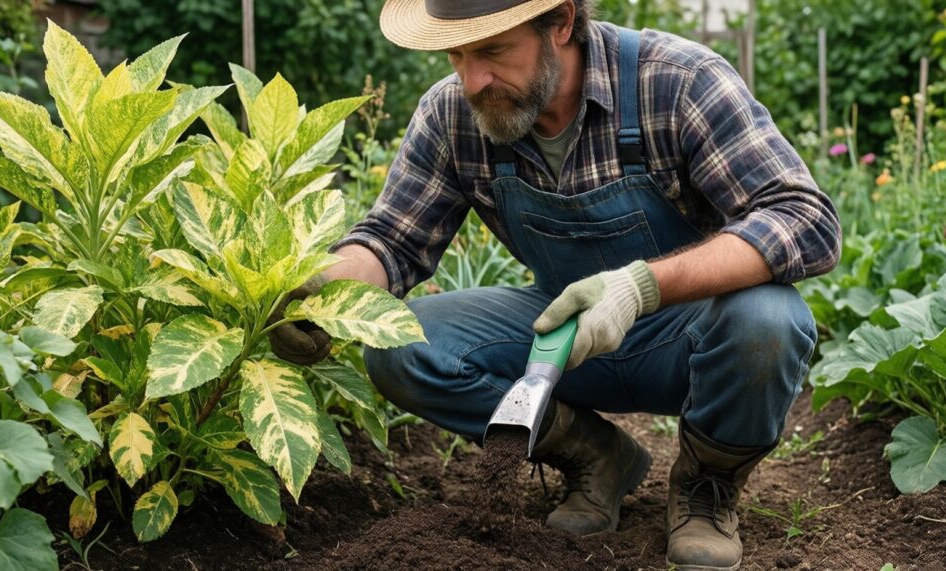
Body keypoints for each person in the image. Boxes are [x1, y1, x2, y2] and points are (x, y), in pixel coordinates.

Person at [269, 1, 841, 568]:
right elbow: (394, 239)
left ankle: (706, 487)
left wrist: (640, 287)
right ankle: (596, 456)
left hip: (689, 337)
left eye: (492, 51)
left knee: (769, 322)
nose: (472, 79)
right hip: (560, 332)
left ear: (562, 22)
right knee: (399, 345)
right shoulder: (453, 113)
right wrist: (326, 292)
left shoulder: (676, 81)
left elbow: (804, 218)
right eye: (456, 54)